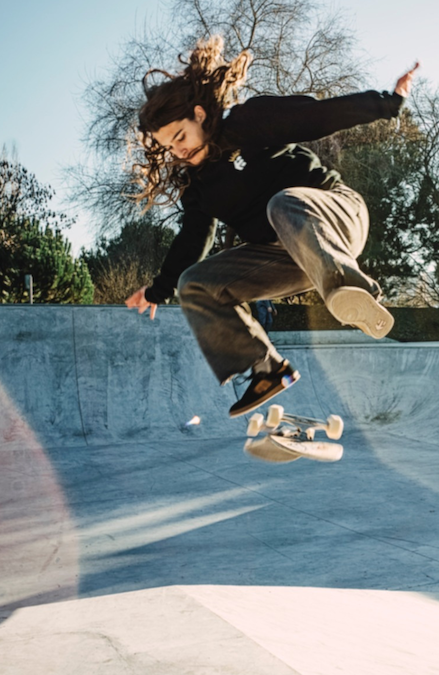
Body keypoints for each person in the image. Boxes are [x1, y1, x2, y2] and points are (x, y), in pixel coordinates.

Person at [123, 35, 418, 417]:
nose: (179, 151)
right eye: (170, 147)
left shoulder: (247, 124)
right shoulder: (198, 187)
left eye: (180, 136)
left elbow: (316, 117)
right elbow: (193, 239)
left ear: (199, 115)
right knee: (194, 284)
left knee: (282, 204)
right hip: (289, 256)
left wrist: (386, 103)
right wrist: (158, 290)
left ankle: (350, 286)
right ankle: (265, 369)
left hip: (336, 218)